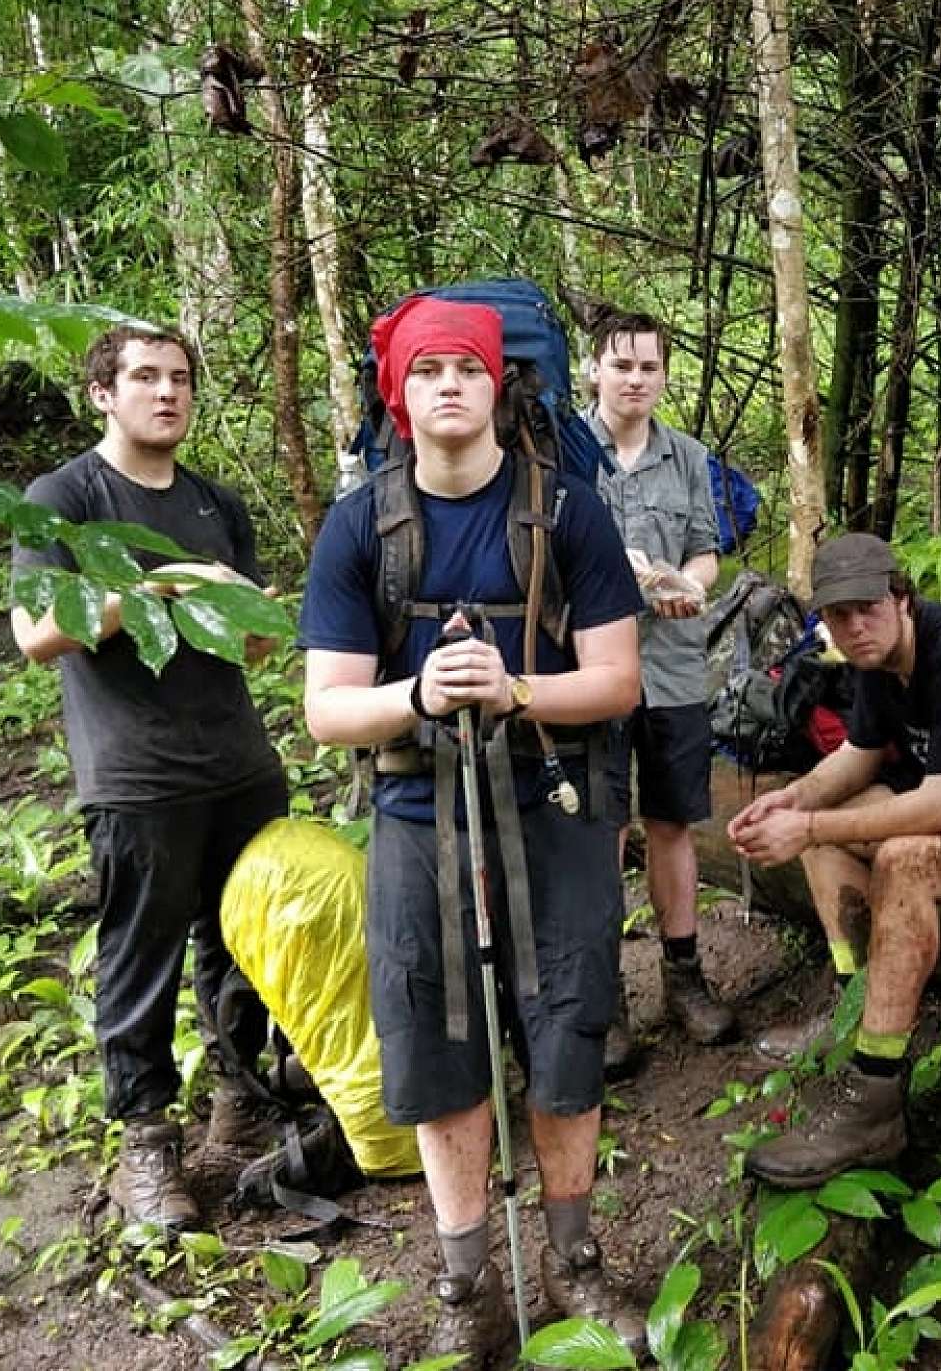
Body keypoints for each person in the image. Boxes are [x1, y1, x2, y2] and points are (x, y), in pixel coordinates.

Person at [300, 297, 645, 1367]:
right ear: (397, 397)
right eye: (426, 370)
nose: (447, 385)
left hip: (552, 801)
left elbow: (618, 681)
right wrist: (418, 695)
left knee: (567, 1022)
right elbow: (328, 711)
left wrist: (515, 689)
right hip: (417, 811)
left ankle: (574, 1262)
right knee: (430, 1033)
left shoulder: (567, 513)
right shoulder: (361, 528)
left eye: (467, 368)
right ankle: (465, 1283)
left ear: (500, 388)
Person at [10, 325, 288, 1231]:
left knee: (243, 942)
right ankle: (147, 1144)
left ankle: (242, 1102)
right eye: (143, 377)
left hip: (238, 761)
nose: (166, 393)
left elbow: (253, 644)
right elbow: (36, 633)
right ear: (102, 393)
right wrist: (160, 587)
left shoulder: (215, 502)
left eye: (179, 379)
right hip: (136, 773)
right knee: (142, 955)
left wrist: (252, 612)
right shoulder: (64, 498)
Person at [729, 532, 941, 1187]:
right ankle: (852, 1005)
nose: (854, 627)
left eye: (867, 608)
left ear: (901, 598)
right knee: (822, 828)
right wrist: (793, 802)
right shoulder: (874, 661)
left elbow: (940, 805)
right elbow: (861, 754)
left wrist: (808, 824)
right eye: (838, 615)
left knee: (905, 858)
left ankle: (874, 1096)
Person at [587, 311, 735, 1060]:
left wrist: (688, 582)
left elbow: (707, 551)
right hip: (593, 668)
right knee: (603, 829)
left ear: (664, 376)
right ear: (593, 371)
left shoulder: (688, 457)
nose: (635, 379)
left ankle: (683, 975)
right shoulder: (566, 453)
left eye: (649, 367)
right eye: (622, 366)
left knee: (673, 822)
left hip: (674, 666)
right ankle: (603, 995)